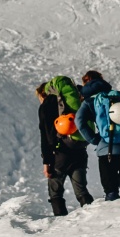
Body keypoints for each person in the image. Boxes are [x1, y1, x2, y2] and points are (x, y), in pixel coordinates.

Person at [74, 71, 120, 200]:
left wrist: (94, 139)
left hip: (106, 149)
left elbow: (79, 122)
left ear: (85, 83)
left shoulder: (89, 101)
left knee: (111, 189)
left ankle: (113, 217)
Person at [38, 78, 92, 216]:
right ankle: (94, 218)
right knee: (82, 191)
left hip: (59, 155)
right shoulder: (74, 100)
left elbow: (46, 137)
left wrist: (47, 162)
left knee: (55, 193)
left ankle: (61, 223)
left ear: (43, 94)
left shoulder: (46, 106)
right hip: (79, 151)